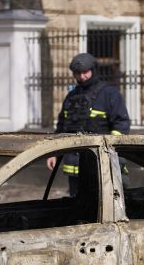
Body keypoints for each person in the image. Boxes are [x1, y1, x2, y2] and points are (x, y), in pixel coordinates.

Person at [46, 53, 130, 196]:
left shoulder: (109, 94)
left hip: (102, 165)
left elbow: (121, 123)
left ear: (93, 70)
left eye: (85, 72)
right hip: (74, 166)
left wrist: (111, 148)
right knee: (77, 207)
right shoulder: (71, 96)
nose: (82, 77)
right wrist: (53, 153)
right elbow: (61, 126)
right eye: (78, 73)